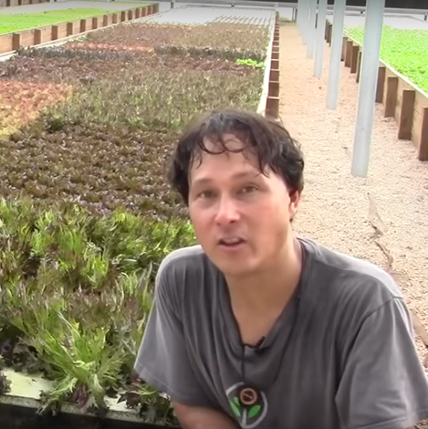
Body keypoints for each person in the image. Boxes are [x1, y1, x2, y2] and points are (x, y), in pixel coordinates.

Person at [134, 109, 428, 429]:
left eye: (247, 189)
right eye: (206, 194)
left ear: (292, 198)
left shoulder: (367, 303)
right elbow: (193, 404)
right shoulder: (182, 280)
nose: (226, 215)